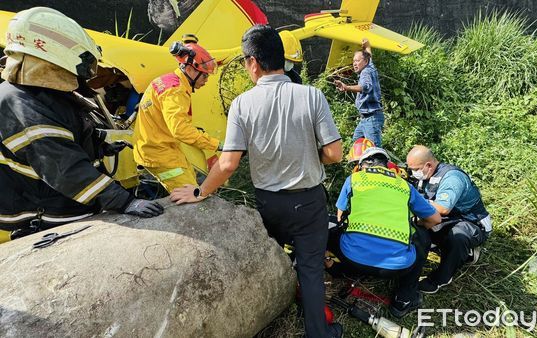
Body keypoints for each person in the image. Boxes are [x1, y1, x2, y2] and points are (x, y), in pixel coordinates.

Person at [170, 25, 344, 338]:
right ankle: (319, 333)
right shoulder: (312, 96)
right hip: (309, 203)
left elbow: (228, 164)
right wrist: (309, 156)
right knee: (311, 270)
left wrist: (199, 191)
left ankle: (265, 310)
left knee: (269, 255)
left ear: (253, 62)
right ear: (280, 58)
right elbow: (334, 153)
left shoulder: (242, 104)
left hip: (269, 204)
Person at [0, 7, 163, 242]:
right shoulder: (20, 105)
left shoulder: (43, 92)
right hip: (43, 213)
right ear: (52, 59)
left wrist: (99, 146)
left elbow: (68, 133)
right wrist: (124, 201)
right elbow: (65, 168)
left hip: (60, 199)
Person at [330, 147, 441, 318]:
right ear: (387, 166)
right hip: (397, 267)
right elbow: (435, 219)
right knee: (423, 238)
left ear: (361, 166)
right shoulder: (404, 186)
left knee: (331, 231)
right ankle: (403, 300)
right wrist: (414, 226)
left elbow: (339, 217)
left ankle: (335, 268)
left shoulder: (354, 179)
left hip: (351, 258)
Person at [132, 34, 221, 193]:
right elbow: (180, 130)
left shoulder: (169, 81)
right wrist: (218, 145)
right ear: (189, 69)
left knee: (191, 182)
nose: (206, 79)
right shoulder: (175, 91)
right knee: (191, 195)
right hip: (159, 154)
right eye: (204, 74)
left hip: (160, 146)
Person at [406, 145, 493, 294]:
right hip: (446, 219)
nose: (413, 173)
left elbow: (442, 208)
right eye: (411, 169)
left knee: (457, 236)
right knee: (416, 228)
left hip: (470, 223)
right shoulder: (426, 176)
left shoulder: (452, 178)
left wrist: (414, 202)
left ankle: (441, 278)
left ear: (428, 165)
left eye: (416, 169)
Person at [334, 38, 384, 146]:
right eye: (353, 61)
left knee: (374, 150)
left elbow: (366, 87)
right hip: (366, 119)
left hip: (371, 118)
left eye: (357, 61)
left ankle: (379, 163)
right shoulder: (369, 66)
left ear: (365, 62)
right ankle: (361, 163)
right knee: (357, 144)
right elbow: (369, 56)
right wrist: (367, 46)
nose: (354, 63)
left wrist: (346, 87)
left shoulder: (365, 72)